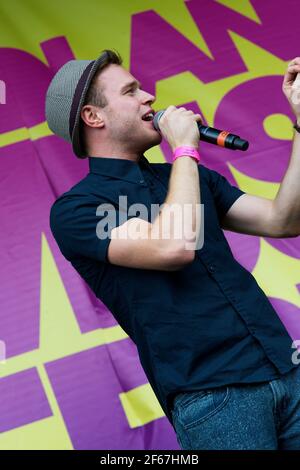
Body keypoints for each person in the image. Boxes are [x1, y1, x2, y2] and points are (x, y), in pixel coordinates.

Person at [46, 49, 300, 450]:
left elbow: (282, 220)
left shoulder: (186, 176)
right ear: (94, 117)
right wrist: (183, 148)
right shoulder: (78, 209)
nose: (149, 97)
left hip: (284, 369)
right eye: (131, 91)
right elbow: (173, 246)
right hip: (216, 398)